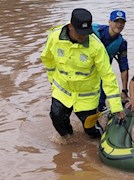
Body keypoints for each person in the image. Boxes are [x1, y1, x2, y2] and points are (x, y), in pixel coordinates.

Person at [40, 8, 125, 140]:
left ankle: (97, 144)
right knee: (57, 117)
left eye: (86, 33)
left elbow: (107, 76)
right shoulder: (55, 37)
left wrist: (116, 106)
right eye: (80, 33)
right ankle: (69, 140)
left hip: (86, 96)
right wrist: (52, 80)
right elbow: (47, 59)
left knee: (90, 129)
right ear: (70, 26)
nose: (83, 36)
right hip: (62, 90)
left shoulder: (96, 46)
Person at [92, 10, 129, 112]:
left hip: (104, 73)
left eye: (122, 22)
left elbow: (124, 67)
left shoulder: (121, 43)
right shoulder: (94, 33)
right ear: (109, 22)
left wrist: (124, 91)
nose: (119, 24)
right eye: (116, 21)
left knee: (101, 100)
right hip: (88, 70)